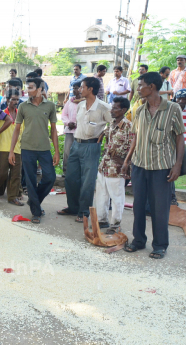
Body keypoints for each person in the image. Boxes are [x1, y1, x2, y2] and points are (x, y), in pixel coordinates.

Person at [122, 72, 185, 260]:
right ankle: (139, 241)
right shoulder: (140, 110)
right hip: (140, 165)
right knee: (138, 206)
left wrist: (177, 165)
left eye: (141, 85)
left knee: (160, 208)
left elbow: (179, 138)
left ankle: (159, 245)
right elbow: (136, 137)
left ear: (152, 87)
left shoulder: (172, 109)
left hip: (162, 167)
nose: (138, 88)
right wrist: (127, 161)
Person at [60, 77, 112, 222]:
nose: (79, 90)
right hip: (76, 144)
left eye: (82, 87)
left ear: (90, 89)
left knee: (87, 182)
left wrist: (104, 134)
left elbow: (114, 123)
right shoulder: (81, 105)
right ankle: (73, 207)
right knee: (70, 179)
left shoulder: (103, 107)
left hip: (91, 146)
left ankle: (84, 212)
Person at [9, 77, 59, 224]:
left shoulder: (50, 105)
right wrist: (12, 151)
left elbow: (54, 130)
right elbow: (17, 129)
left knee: (50, 177)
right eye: (27, 87)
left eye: (31, 87)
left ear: (39, 89)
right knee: (30, 181)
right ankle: (36, 212)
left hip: (44, 148)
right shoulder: (23, 106)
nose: (27, 90)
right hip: (27, 148)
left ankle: (34, 201)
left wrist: (56, 151)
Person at [94, 97, 133, 234]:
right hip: (104, 165)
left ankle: (115, 224)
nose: (112, 110)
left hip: (116, 167)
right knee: (101, 195)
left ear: (123, 110)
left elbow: (132, 146)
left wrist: (125, 162)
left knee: (117, 197)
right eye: (112, 107)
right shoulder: (111, 124)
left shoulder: (129, 126)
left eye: (115, 108)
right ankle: (102, 219)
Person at [0, 89, 24, 206]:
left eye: (17, 99)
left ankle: (12, 197)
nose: (16, 102)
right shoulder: (1, 114)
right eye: (13, 99)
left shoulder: (21, 115)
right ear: (7, 100)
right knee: (1, 173)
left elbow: (23, 132)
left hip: (17, 149)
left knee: (16, 174)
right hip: (3, 148)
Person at [61, 81, 81, 175]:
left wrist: (77, 123)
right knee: (67, 151)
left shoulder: (86, 102)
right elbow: (64, 115)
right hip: (70, 131)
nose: (75, 90)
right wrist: (68, 123)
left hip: (81, 132)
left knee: (79, 153)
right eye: (74, 88)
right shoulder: (70, 101)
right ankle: (66, 172)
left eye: (77, 88)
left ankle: (77, 172)